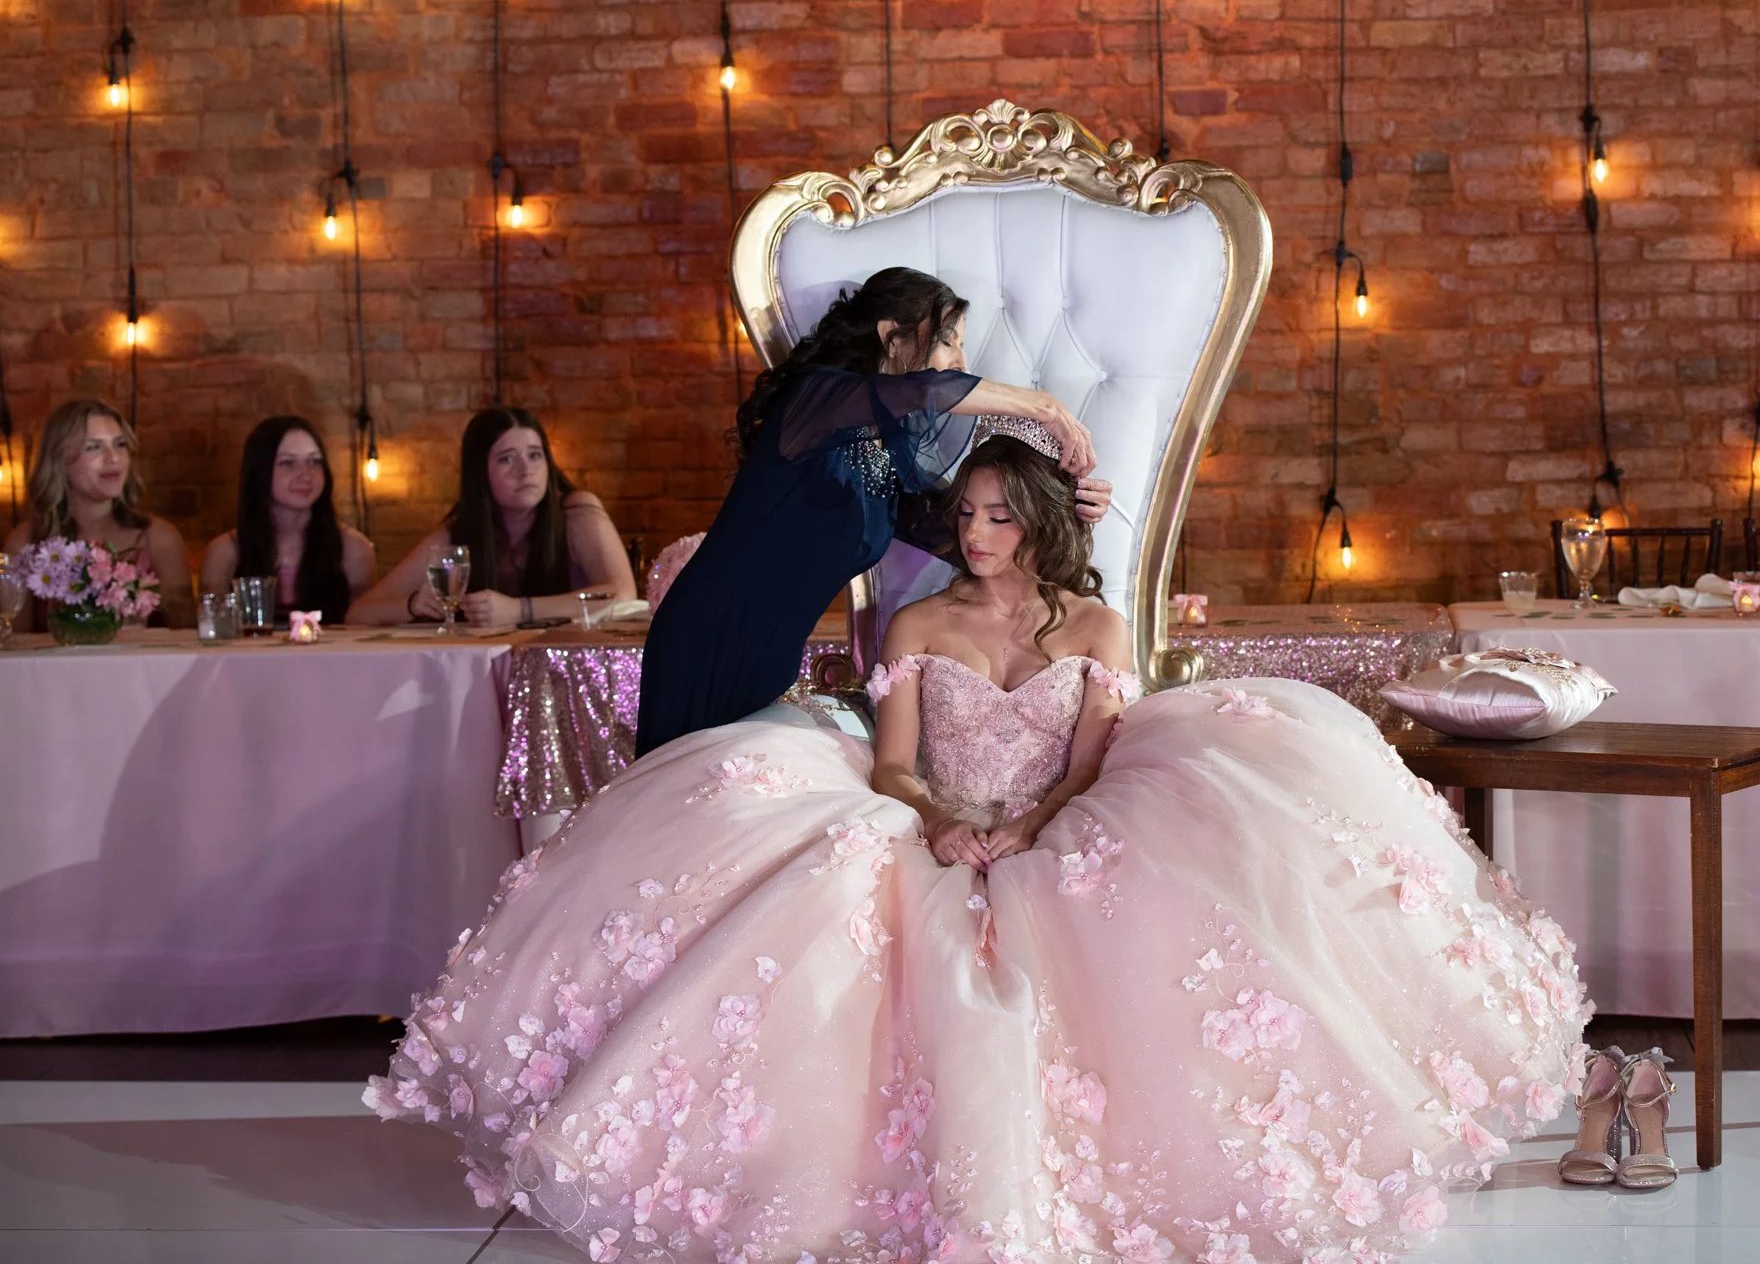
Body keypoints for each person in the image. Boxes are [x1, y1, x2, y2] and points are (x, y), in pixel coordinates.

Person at [365, 419, 1593, 1264]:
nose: (979, 530)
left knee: (1201, 867)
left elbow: (1092, 766)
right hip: (935, 821)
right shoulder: (918, 620)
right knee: (798, 876)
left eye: (1002, 513)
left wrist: (1034, 828)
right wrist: (949, 825)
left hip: (1058, 819)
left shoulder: (1096, 628)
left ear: (1041, 518)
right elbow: (893, 763)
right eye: (967, 512)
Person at [634, 266, 1114, 756]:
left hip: (769, 655)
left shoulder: (887, 457)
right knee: (677, 782)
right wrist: (1046, 407)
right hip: (707, 634)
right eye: (947, 342)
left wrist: (1071, 509)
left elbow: (973, 533)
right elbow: (929, 390)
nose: (960, 362)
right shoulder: (814, 400)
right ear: (891, 337)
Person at [348, 408, 635, 626]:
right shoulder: (459, 533)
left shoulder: (575, 511)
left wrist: (519, 610)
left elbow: (624, 596)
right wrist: (412, 604)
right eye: (506, 459)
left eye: (535, 455)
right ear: (480, 474)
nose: (526, 470)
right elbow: (359, 613)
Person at [2, 398, 194, 629]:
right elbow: (14, 643)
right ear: (59, 460)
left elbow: (187, 637)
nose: (113, 458)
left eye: (120, 444)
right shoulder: (24, 542)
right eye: (93, 447)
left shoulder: (160, 538)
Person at [199, 416, 377, 623]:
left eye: (314, 461)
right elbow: (212, 631)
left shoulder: (353, 549)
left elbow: (365, 629)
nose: (305, 475)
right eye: (288, 463)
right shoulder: (225, 552)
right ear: (260, 472)